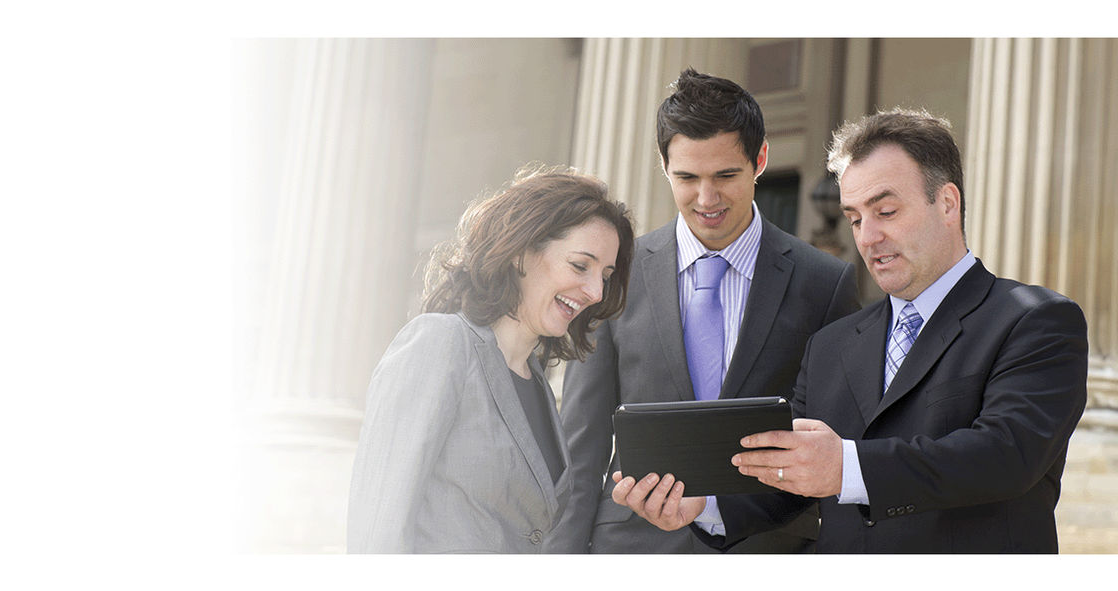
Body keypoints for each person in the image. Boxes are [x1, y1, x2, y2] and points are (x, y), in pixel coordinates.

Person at [611, 108, 1089, 553]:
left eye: (886, 212)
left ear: (947, 203)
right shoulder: (831, 345)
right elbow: (788, 473)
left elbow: (1006, 455)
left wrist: (848, 467)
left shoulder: (1036, 321)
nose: (867, 237)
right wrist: (705, 506)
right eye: (855, 218)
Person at [547, 67, 860, 554]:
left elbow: (834, 443)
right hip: (631, 551)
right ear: (664, 165)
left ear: (760, 160)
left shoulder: (825, 282)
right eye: (687, 177)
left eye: (726, 176)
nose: (706, 199)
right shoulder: (615, 275)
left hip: (767, 550)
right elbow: (581, 448)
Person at [346, 166, 636, 553]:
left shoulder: (537, 385)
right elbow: (376, 532)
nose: (596, 291)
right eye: (580, 266)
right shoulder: (441, 343)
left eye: (606, 275)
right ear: (520, 252)